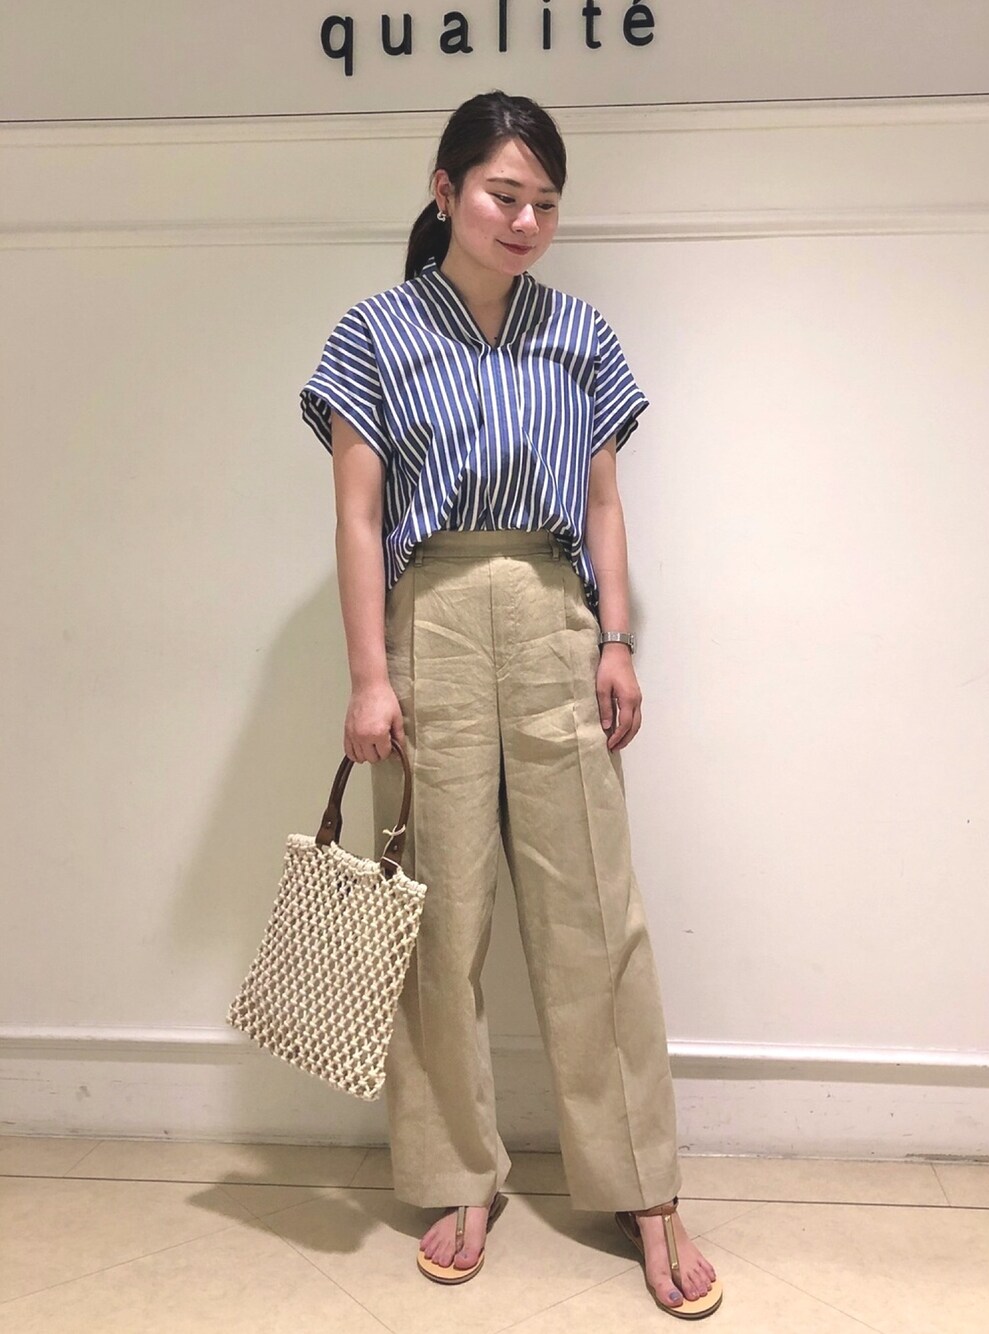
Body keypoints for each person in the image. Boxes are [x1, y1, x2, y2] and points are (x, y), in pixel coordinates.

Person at [301, 90, 722, 1319]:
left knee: (595, 909)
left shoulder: (578, 333)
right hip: (427, 614)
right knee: (438, 913)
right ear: (444, 192)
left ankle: (644, 1182)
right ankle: (457, 1175)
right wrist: (368, 674)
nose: (525, 218)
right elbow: (358, 518)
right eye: (502, 193)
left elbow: (601, 503)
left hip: (553, 614)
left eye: (543, 200)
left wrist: (618, 638)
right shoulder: (373, 334)